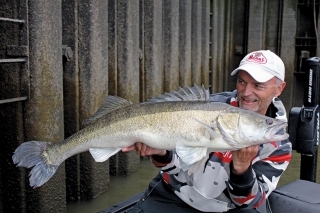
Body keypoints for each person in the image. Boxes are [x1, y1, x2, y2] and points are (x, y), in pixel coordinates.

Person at [122, 50, 292, 213]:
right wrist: (160, 153)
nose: (246, 92)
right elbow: (173, 167)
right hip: (173, 195)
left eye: (258, 85)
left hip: (227, 209)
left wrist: (241, 168)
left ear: (279, 88)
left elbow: (249, 202)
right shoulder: (205, 107)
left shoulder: (278, 145)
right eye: (241, 82)